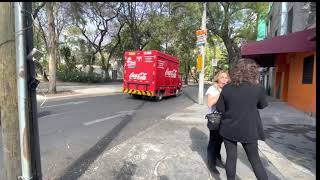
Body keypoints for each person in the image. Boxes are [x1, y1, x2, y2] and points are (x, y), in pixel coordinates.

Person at [216, 58, 269, 180]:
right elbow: (262, 105)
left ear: (237, 71)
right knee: (255, 161)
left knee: (231, 158)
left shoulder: (227, 88)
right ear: (253, 71)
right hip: (249, 129)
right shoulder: (258, 88)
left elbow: (220, 109)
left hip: (229, 128)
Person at [205, 71, 230, 174]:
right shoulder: (213, 89)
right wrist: (221, 93)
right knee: (213, 141)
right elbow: (210, 103)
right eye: (222, 77)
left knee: (220, 141)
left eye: (226, 77)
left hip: (225, 119)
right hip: (215, 119)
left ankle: (217, 158)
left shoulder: (228, 89)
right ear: (218, 79)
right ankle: (211, 163)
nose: (224, 79)